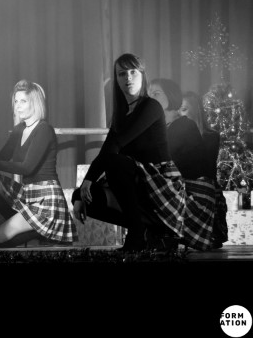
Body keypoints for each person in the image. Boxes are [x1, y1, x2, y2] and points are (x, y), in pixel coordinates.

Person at [71, 53, 186, 252]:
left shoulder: (151, 106)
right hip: (139, 181)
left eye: (133, 72)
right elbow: (107, 150)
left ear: (142, 75)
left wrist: (88, 179)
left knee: (114, 162)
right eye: (122, 74)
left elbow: (115, 147)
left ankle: (137, 234)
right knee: (87, 196)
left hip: (160, 181)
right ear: (116, 80)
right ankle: (148, 230)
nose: (128, 78)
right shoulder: (121, 115)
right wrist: (82, 189)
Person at [0, 80, 77, 247]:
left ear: (35, 103)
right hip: (28, 194)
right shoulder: (19, 130)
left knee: (0, 236)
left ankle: (42, 234)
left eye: (23, 101)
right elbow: (1, 158)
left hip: (46, 199)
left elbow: (27, 168)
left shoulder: (44, 129)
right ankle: (27, 228)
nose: (18, 106)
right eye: (16, 101)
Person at [147, 78, 219, 251]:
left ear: (171, 97)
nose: (150, 98)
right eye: (148, 94)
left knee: (144, 173)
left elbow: (167, 163)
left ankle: (162, 234)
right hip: (176, 189)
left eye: (156, 94)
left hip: (194, 195)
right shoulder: (159, 127)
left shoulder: (184, 125)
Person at [181, 90, 228, 248]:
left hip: (204, 184)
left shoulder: (210, 136)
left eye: (184, 109)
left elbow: (207, 168)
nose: (180, 114)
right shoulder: (175, 134)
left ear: (195, 110)